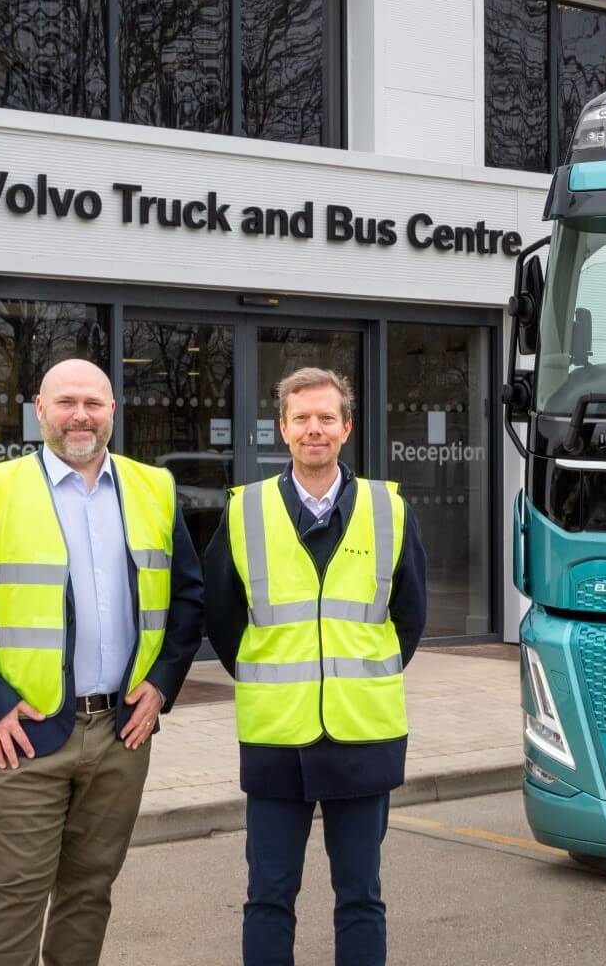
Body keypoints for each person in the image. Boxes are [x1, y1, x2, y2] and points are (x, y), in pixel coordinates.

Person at [0, 358, 205, 966]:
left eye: (94, 403)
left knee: (89, 890)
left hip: (120, 733)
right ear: (40, 410)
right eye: (66, 402)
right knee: (15, 891)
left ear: (113, 411)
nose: (81, 415)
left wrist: (160, 686)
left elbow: (187, 597)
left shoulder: (153, 487)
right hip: (21, 736)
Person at [201, 367, 428, 966]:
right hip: (277, 738)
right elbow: (222, 617)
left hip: (363, 736)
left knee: (361, 897)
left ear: (347, 427)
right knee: (268, 897)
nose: (314, 429)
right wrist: (269, 673)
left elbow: (410, 617)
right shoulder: (245, 511)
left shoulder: (389, 509)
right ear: (283, 429)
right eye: (301, 418)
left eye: (327, 417)